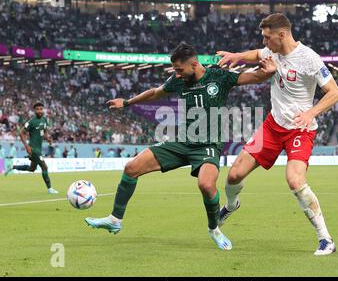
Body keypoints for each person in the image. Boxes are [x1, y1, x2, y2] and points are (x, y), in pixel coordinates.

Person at [85, 43, 278, 251]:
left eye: (179, 69)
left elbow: (253, 77)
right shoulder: (178, 80)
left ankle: (214, 229)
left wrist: (268, 71)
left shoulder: (219, 77)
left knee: (206, 185)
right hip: (182, 142)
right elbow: (155, 93)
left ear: (194, 64)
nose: (176, 74)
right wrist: (127, 102)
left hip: (208, 145)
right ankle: (115, 219)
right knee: (131, 168)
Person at [216, 13, 338, 255]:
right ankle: (232, 205)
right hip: (272, 127)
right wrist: (238, 56)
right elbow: (257, 54)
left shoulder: (309, 59)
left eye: (267, 37)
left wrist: (311, 113)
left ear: (281, 35)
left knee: (295, 180)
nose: (265, 43)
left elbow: (334, 92)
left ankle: (326, 239)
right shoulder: (272, 51)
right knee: (234, 175)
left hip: (300, 129)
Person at [5, 102, 60, 194]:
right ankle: (50, 189)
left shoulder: (44, 120)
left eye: (41, 109)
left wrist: (48, 139)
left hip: (39, 148)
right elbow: (21, 133)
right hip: (33, 149)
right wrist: (26, 146)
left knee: (32, 169)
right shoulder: (31, 122)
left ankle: (13, 167)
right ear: (34, 110)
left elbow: (45, 131)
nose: (39, 111)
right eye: (37, 109)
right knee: (44, 167)